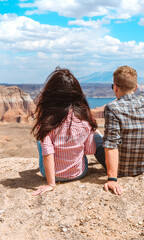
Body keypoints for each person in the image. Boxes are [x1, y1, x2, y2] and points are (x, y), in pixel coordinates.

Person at [31, 67, 98, 196]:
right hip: (79, 173)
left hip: (53, 176)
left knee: (41, 143)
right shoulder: (86, 119)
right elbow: (90, 151)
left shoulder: (46, 122)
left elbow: (47, 154)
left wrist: (51, 184)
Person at [95, 65, 144, 195]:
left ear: (115, 87)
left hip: (122, 169)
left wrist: (112, 179)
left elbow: (111, 144)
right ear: (135, 87)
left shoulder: (112, 107)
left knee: (94, 137)